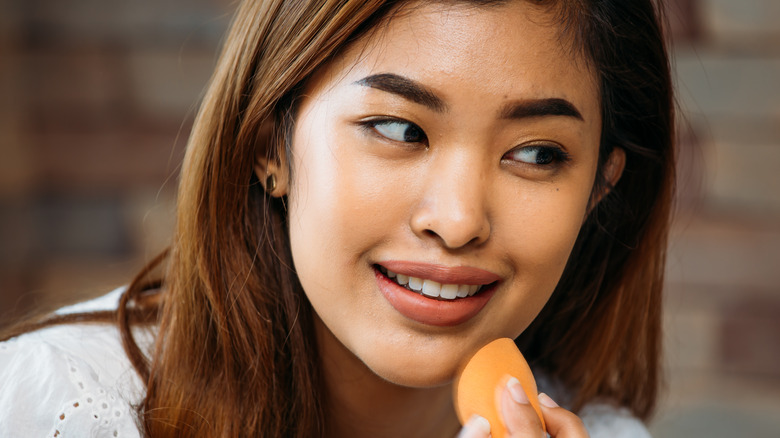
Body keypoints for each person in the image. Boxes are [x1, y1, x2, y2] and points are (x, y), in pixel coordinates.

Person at [0, 0, 674, 436]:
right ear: (270, 144)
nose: (460, 219)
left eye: (536, 153)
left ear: (599, 189)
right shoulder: (53, 407)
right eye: (398, 129)